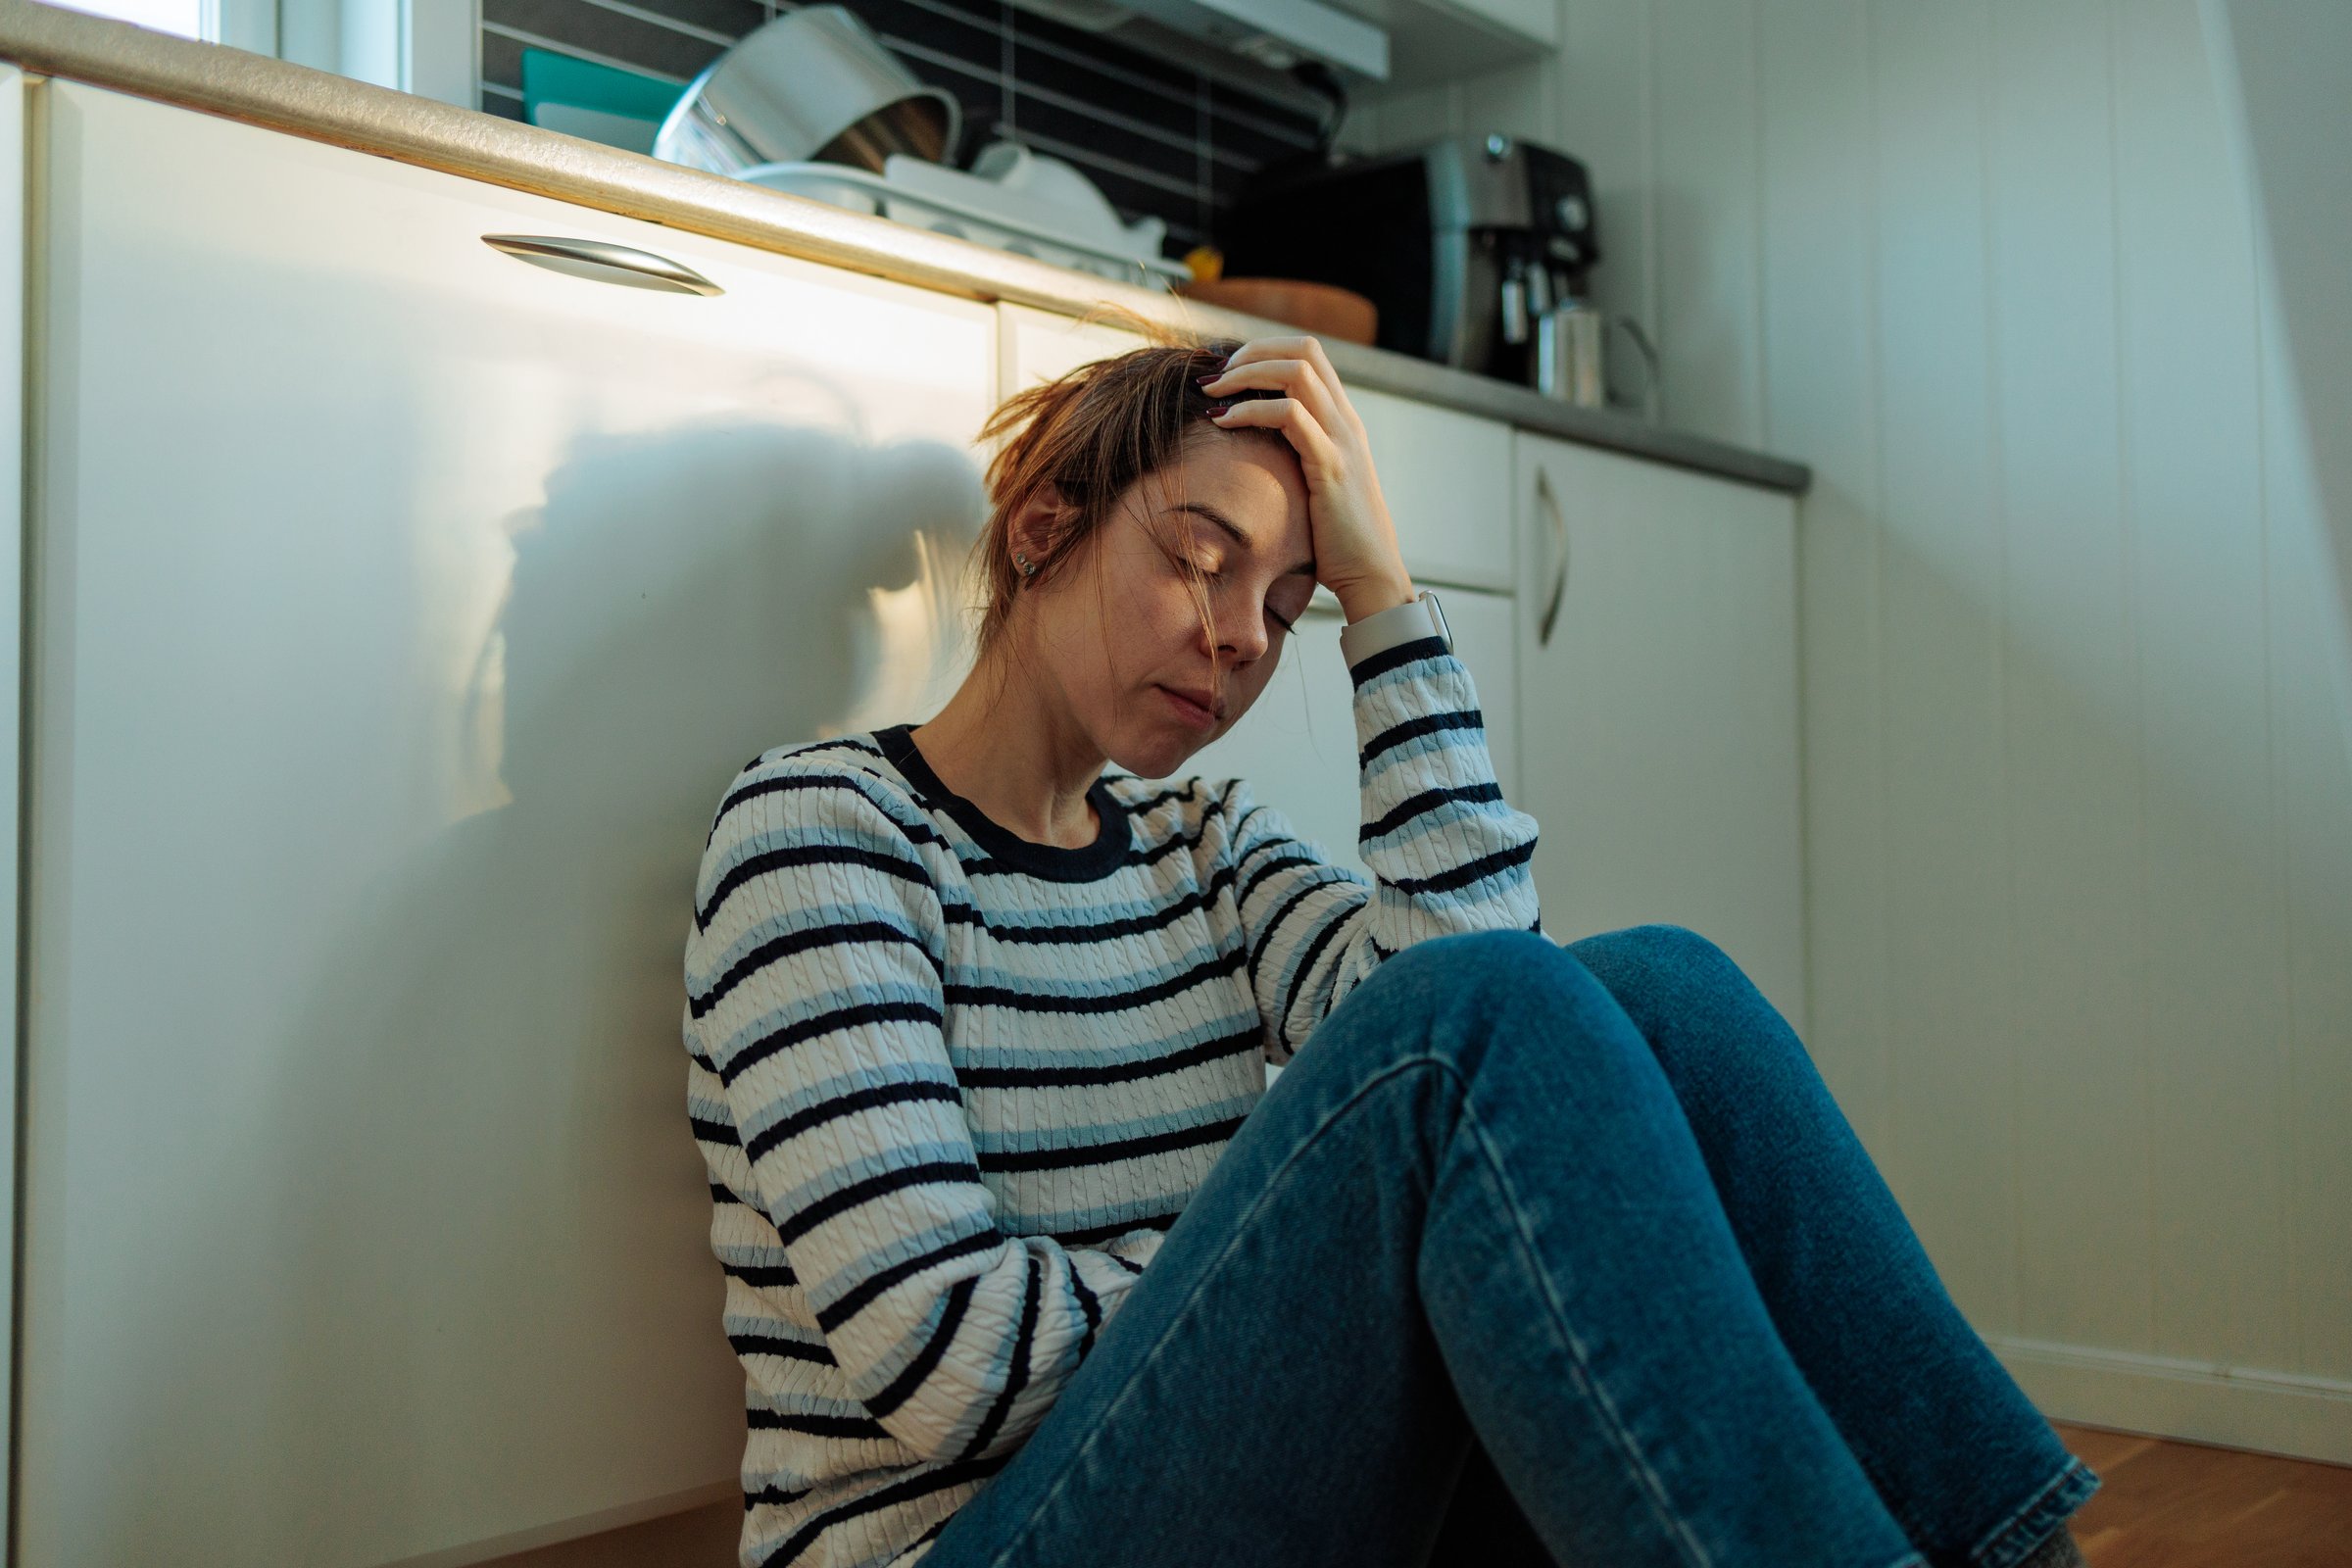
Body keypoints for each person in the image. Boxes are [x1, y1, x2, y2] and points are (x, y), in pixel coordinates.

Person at [679, 333, 2100, 1568]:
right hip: (978, 1540)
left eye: (1286, 606)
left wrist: (1383, 593)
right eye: (1198, 555)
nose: (1239, 638)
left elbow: (1502, 988)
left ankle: (2019, 1555)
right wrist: (1309, 1236)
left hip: (1274, 1495)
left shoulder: (1205, 850)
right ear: (1046, 526)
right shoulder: (825, 835)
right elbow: (950, 1362)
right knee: (1462, 1043)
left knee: (1661, 992)